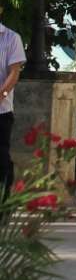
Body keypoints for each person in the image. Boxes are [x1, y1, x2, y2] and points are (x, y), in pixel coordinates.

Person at [0, 20, 26, 202]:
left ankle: (3, 206)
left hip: (1, 111)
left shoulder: (11, 38)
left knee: (1, 161)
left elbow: (14, 73)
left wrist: (1, 94)